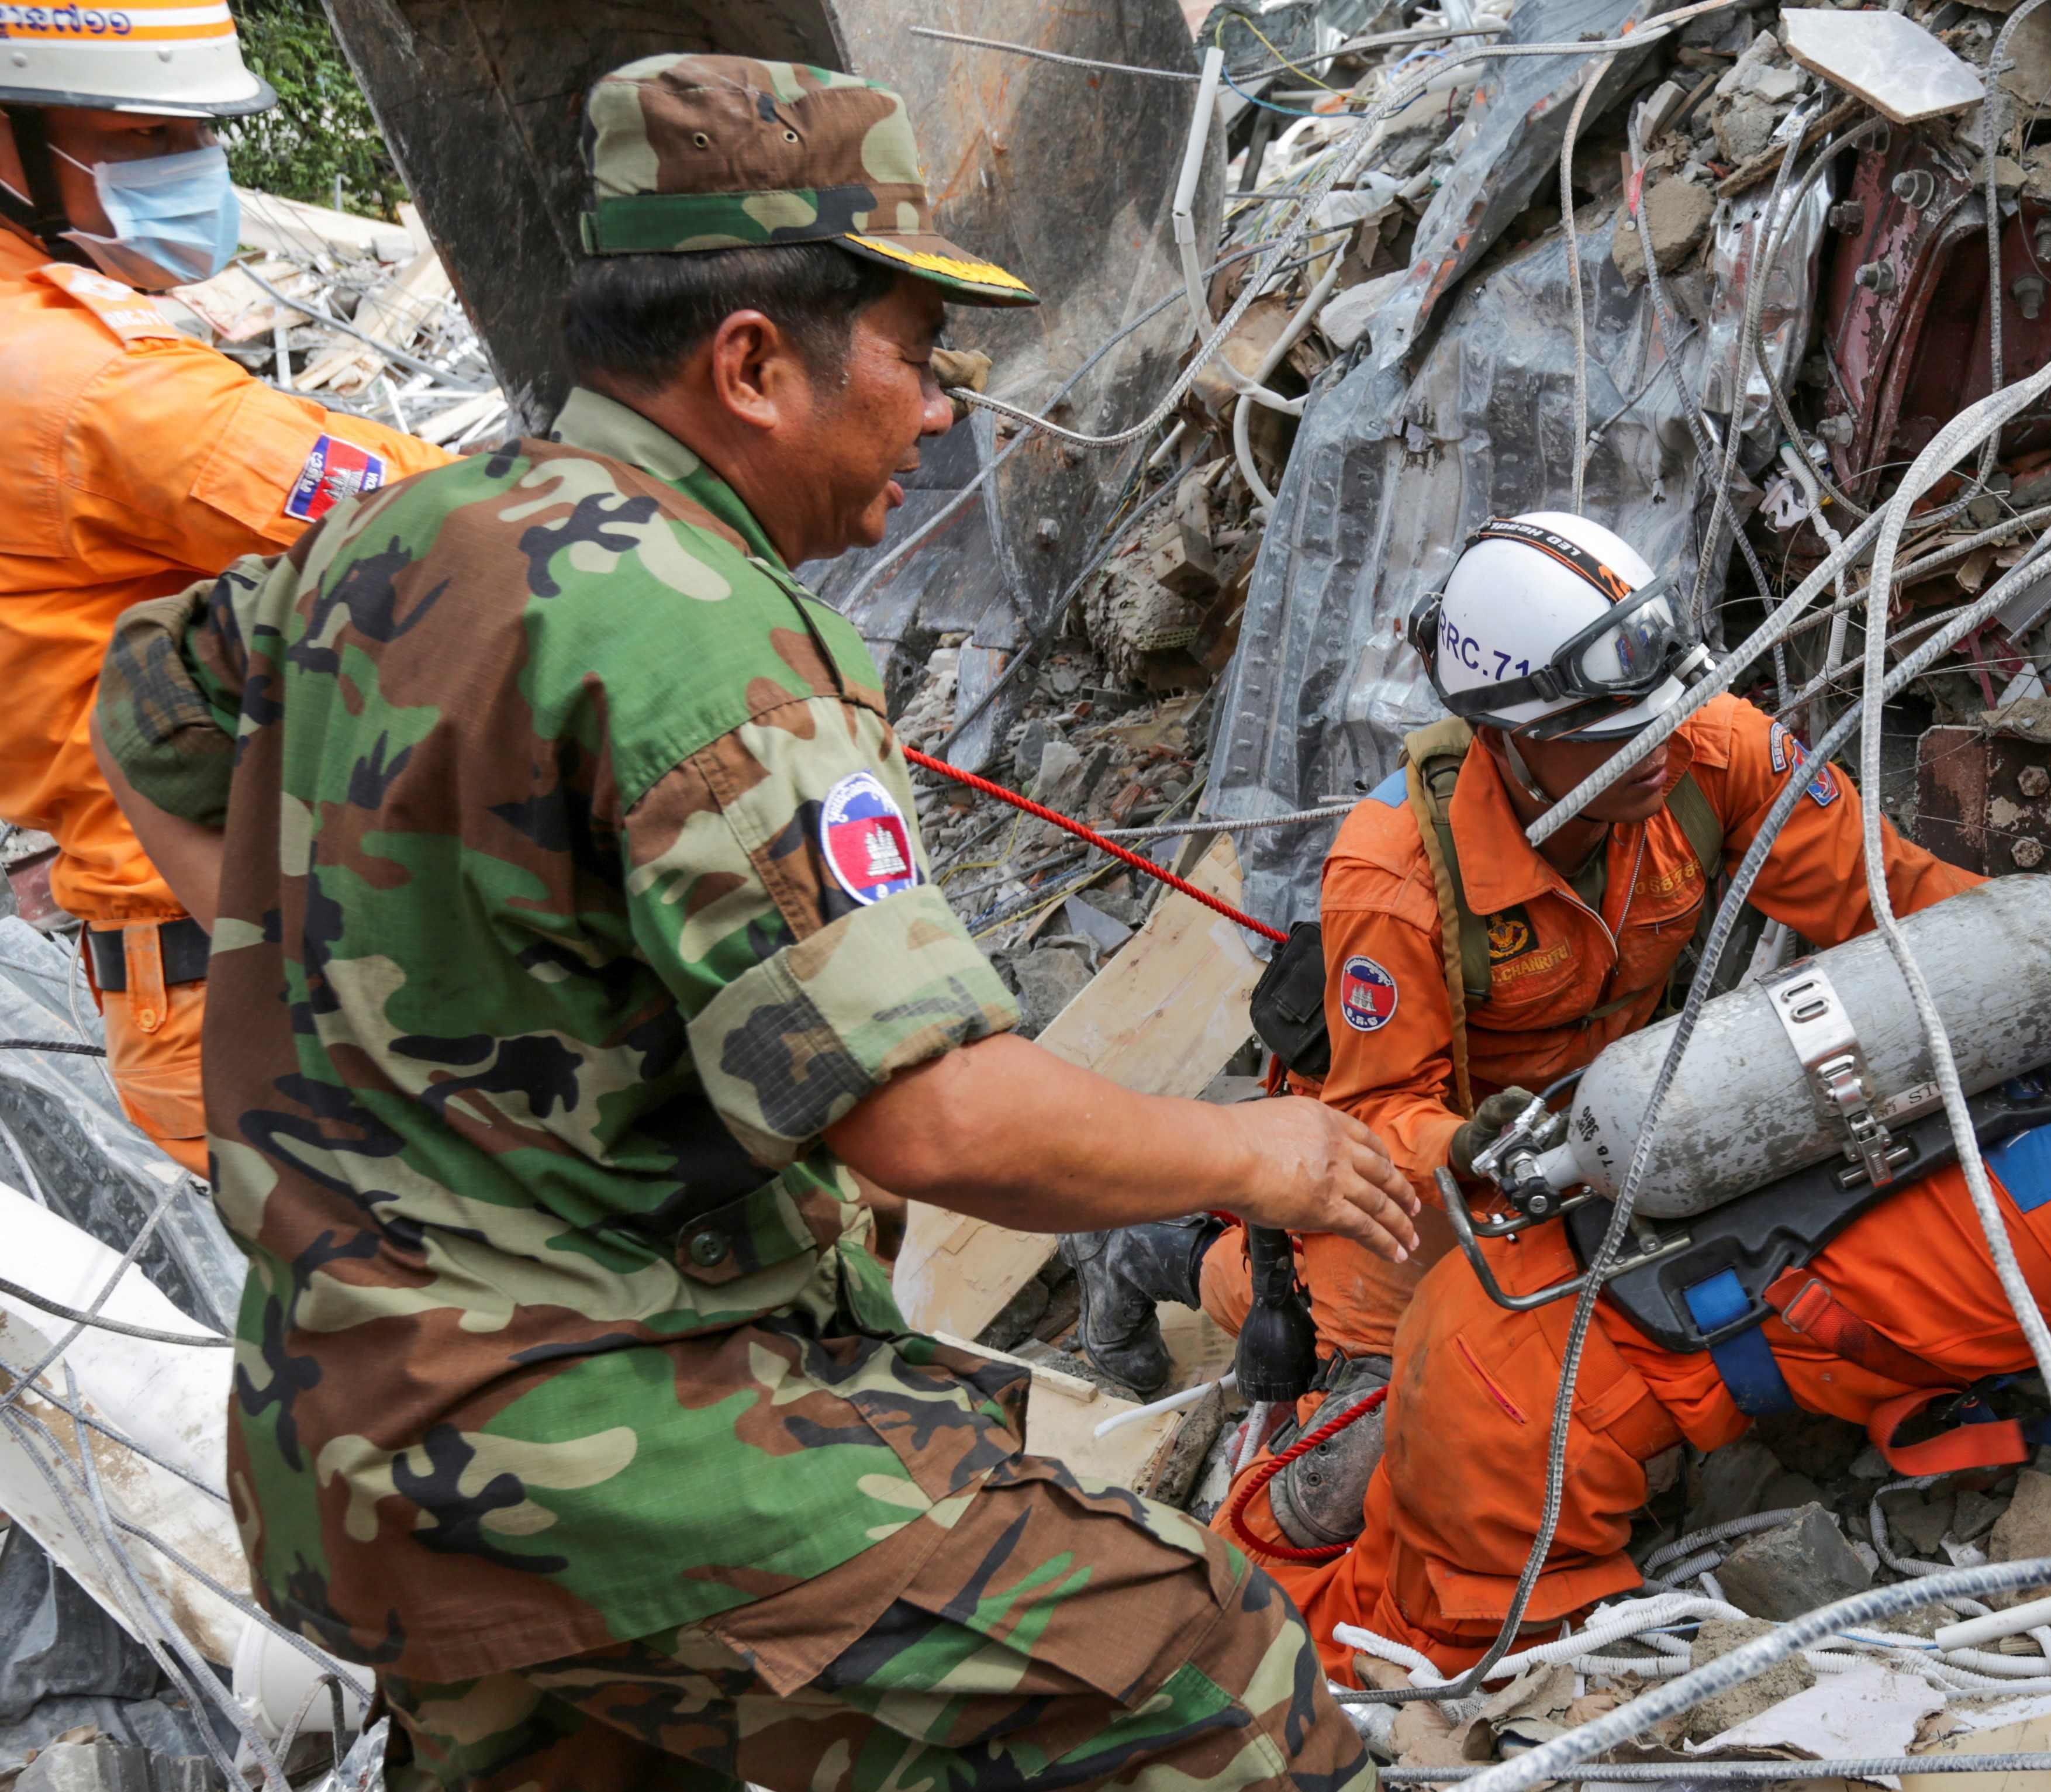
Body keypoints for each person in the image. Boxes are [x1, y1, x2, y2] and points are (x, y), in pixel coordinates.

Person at [94, 54, 1413, 1791]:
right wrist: (1275, 1161)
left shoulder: (398, 531)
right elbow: (939, 1118)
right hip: (592, 1445)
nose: (942, 410)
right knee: (1201, 1670)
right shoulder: (690, 628)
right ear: (752, 363)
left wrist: (299, 965)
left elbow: (143, 707)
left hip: (349, 1454)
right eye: (918, 356)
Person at [1076, 511, 1988, 1392]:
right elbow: (1375, 1118)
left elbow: (1900, 900)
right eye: (1607, 733)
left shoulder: (1715, 755)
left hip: (1617, 1115)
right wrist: (1470, 1146)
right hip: (1448, 1164)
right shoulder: (1396, 878)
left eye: (1666, 712)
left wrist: (2023, 967)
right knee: (1392, 1382)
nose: (1655, 747)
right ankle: (1169, 1253)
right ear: (1507, 738)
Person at [1210, 1044, 2051, 1679]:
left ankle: (1230, 1578)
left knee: (1354, 1580)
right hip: (1529, 1431)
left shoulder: (2034, 1058)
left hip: (1490, 1293)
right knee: (1417, 1672)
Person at [1, 2, 458, 1174]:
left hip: (212, 965)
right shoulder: (81, 386)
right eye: (144, 143)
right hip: (259, 973)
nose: (193, 172)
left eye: (197, 137)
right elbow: (434, 514)